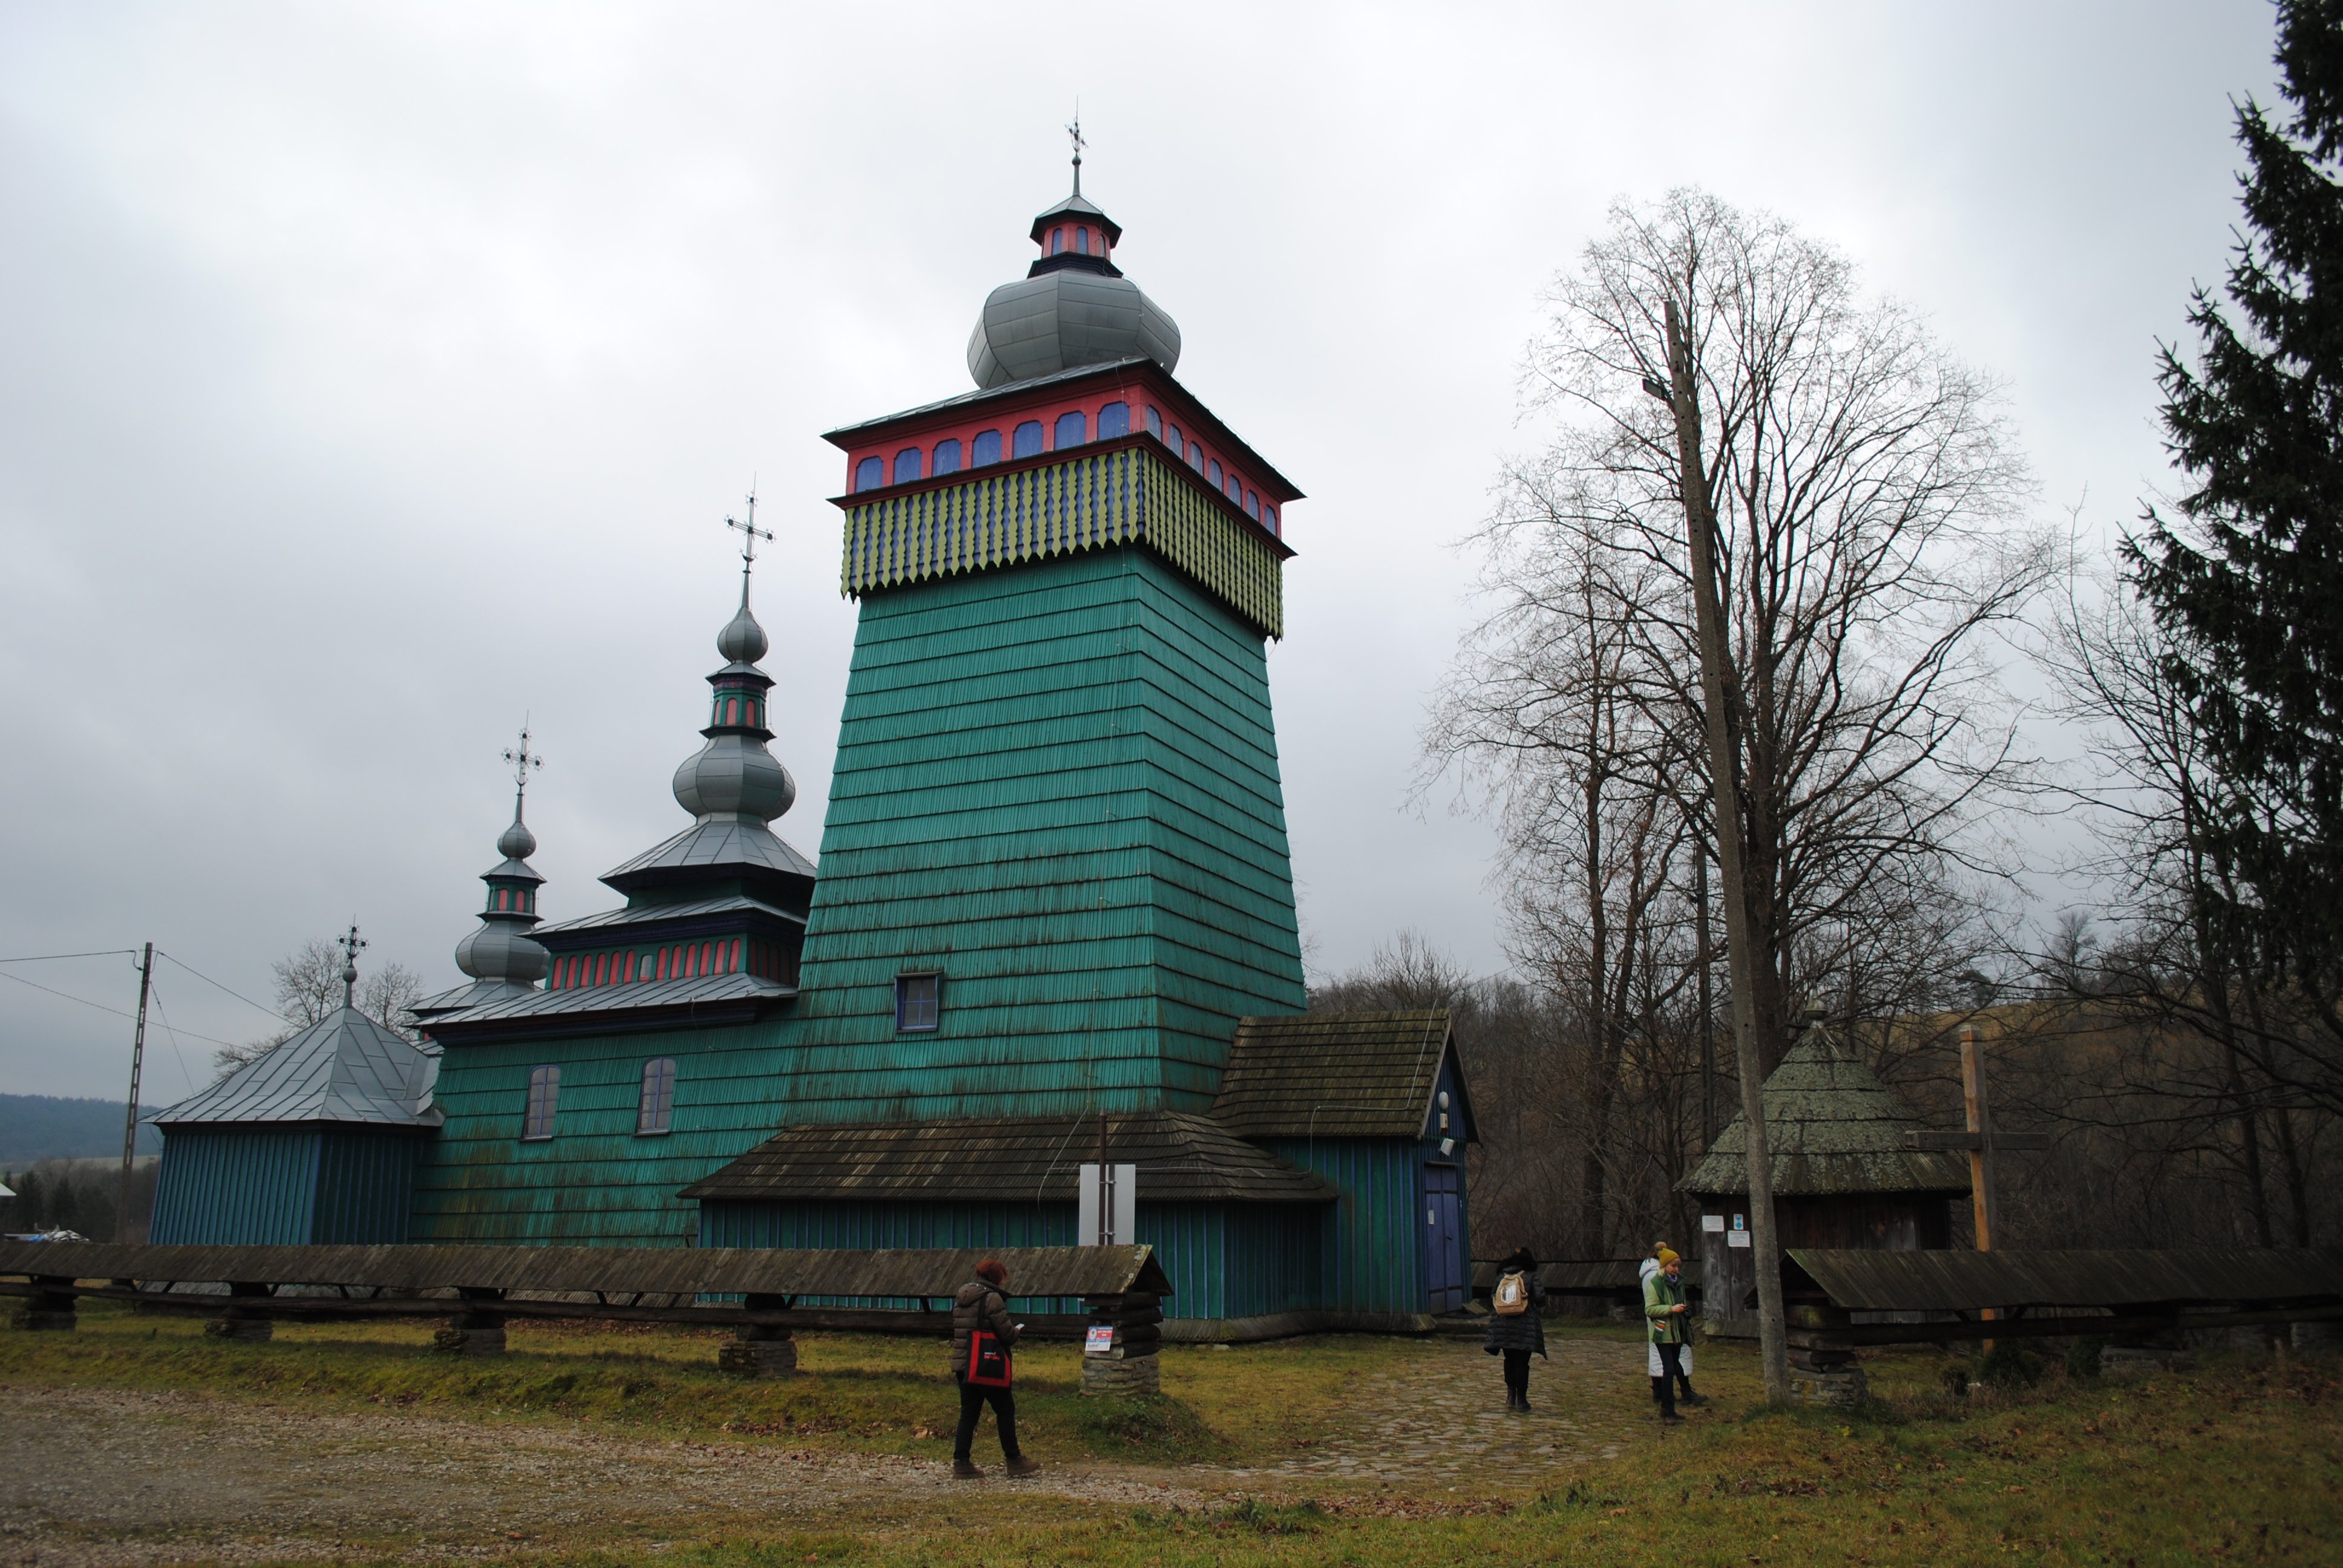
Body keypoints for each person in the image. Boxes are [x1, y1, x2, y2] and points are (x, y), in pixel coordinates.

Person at [950, 1259, 1040, 1478]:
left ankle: (961, 1463)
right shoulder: (993, 1299)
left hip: (964, 1364)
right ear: (996, 1278)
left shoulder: (961, 1297)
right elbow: (1007, 1335)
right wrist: (1017, 1331)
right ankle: (1014, 1459)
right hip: (986, 1364)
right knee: (1005, 1410)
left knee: (969, 1414)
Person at [1639, 1241, 1705, 1408]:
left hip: (1661, 1321)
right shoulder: (1657, 1278)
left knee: (1661, 1358)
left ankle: (1660, 1392)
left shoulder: (1653, 1275)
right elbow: (1654, 1305)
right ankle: (1678, 1395)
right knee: (1672, 1362)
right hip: (1666, 1322)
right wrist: (1673, 1309)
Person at [1483, 1246, 1547, 1411]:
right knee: (1522, 1362)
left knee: (1509, 1360)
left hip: (1502, 1324)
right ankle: (1522, 1400)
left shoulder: (1501, 1276)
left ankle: (1510, 1396)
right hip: (1525, 1325)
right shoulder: (1531, 1276)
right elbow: (1540, 1298)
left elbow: (1493, 1297)